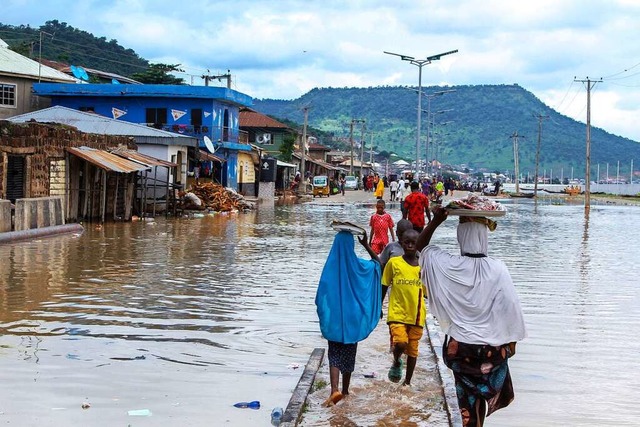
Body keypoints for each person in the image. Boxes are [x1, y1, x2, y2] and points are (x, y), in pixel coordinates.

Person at [416, 206, 527, 427]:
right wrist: (511, 342)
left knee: (467, 405)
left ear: (461, 237)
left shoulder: (448, 265)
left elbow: (421, 248)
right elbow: (510, 306)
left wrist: (436, 221)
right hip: (491, 350)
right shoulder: (497, 268)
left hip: (461, 349)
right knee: (480, 405)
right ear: (484, 237)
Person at [315, 230, 381, 406]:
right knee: (349, 354)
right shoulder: (359, 266)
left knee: (334, 355)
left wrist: (325, 312)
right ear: (352, 246)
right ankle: (345, 390)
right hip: (353, 318)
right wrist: (366, 245)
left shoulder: (330, 266)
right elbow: (378, 264)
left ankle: (334, 390)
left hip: (335, 319)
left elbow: (321, 294)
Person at [381, 229, 426, 387]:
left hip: (416, 315)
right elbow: (384, 285)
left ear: (418, 244)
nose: (410, 245)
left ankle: (407, 382)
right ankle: (396, 359)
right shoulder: (394, 263)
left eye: (413, 242)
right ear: (401, 243)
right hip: (397, 313)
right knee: (401, 343)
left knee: (413, 350)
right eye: (406, 242)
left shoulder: (423, 267)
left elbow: (428, 291)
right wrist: (379, 306)